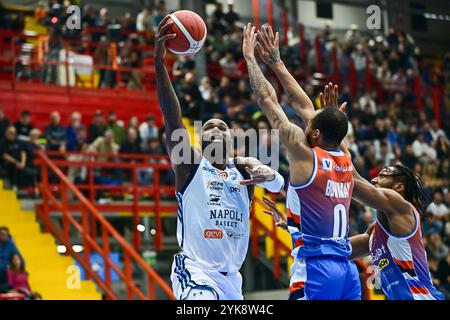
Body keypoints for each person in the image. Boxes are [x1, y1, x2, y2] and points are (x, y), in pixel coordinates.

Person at [154, 21, 285, 300]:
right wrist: (159, 64)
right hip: (195, 271)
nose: (214, 128)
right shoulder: (191, 165)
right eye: (208, 127)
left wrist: (269, 175)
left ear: (232, 139)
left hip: (232, 281)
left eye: (221, 127)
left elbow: (279, 185)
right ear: (200, 141)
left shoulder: (244, 168)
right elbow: (171, 116)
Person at [243, 23, 359, 300]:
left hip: (316, 268)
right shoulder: (346, 155)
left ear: (316, 133)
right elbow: (306, 108)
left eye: (310, 124)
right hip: (347, 268)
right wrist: (278, 63)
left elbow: (266, 99)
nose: (305, 121)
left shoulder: (304, 154)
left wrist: (250, 58)